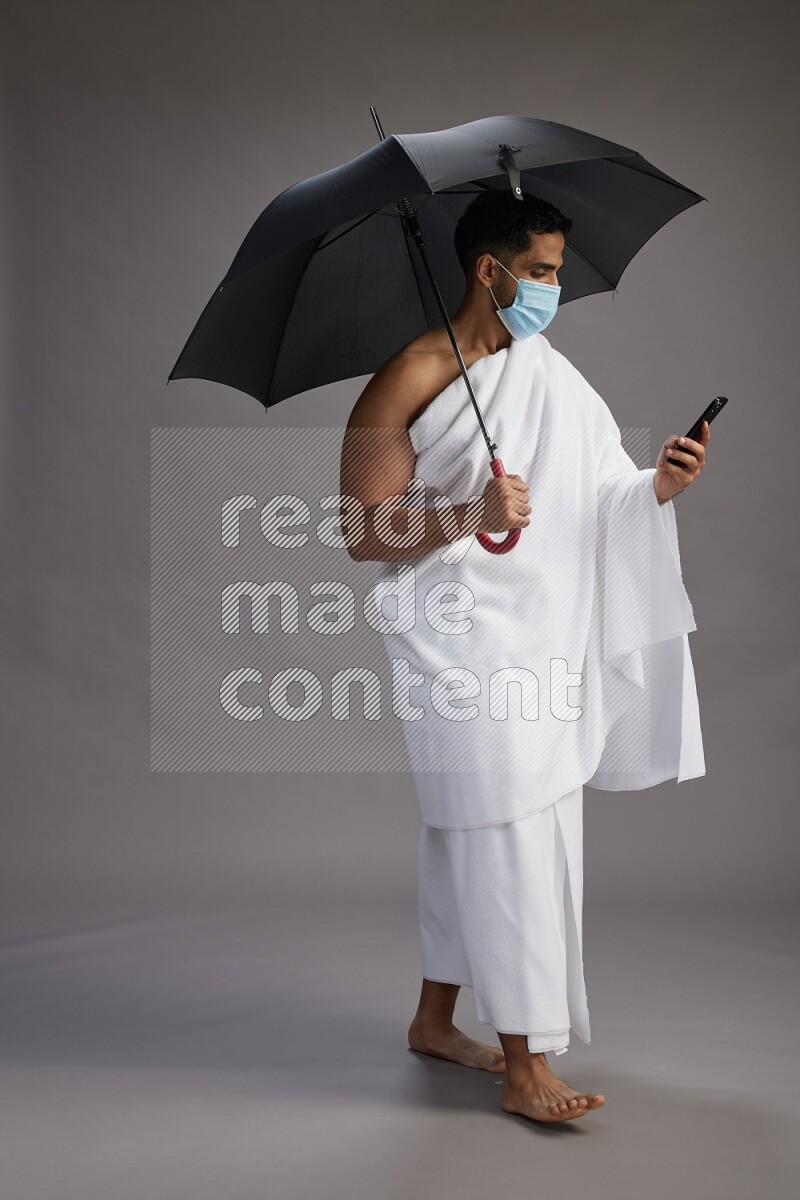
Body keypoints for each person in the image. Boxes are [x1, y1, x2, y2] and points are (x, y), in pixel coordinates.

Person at [339, 190, 710, 1124]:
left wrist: (655, 488)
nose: (553, 288)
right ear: (488, 270)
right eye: (542, 271)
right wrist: (472, 514)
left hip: (541, 637)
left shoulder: (546, 370)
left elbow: (598, 499)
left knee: (471, 829)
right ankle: (524, 1060)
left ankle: (434, 1020)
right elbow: (362, 530)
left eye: (555, 271)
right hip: (459, 647)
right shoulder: (408, 376)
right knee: (506, 834)